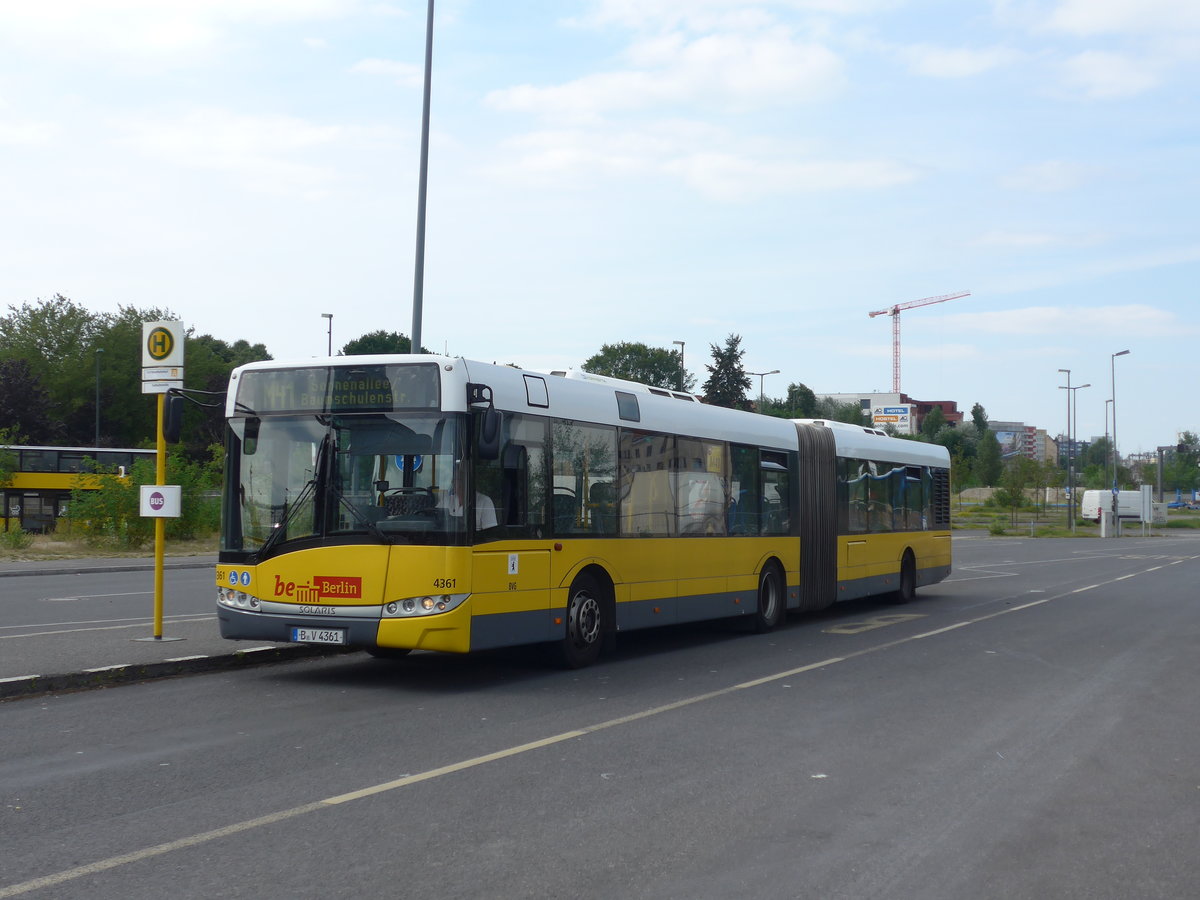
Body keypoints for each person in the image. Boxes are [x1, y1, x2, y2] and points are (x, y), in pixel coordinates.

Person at [439, 464, 498, 530]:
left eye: (457, 479)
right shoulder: (447, 500)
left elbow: (490, 533)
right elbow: (435, 517)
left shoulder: (485, 501)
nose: (452, 482)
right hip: (449, 538)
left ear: (467, 480)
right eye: (453, 479)